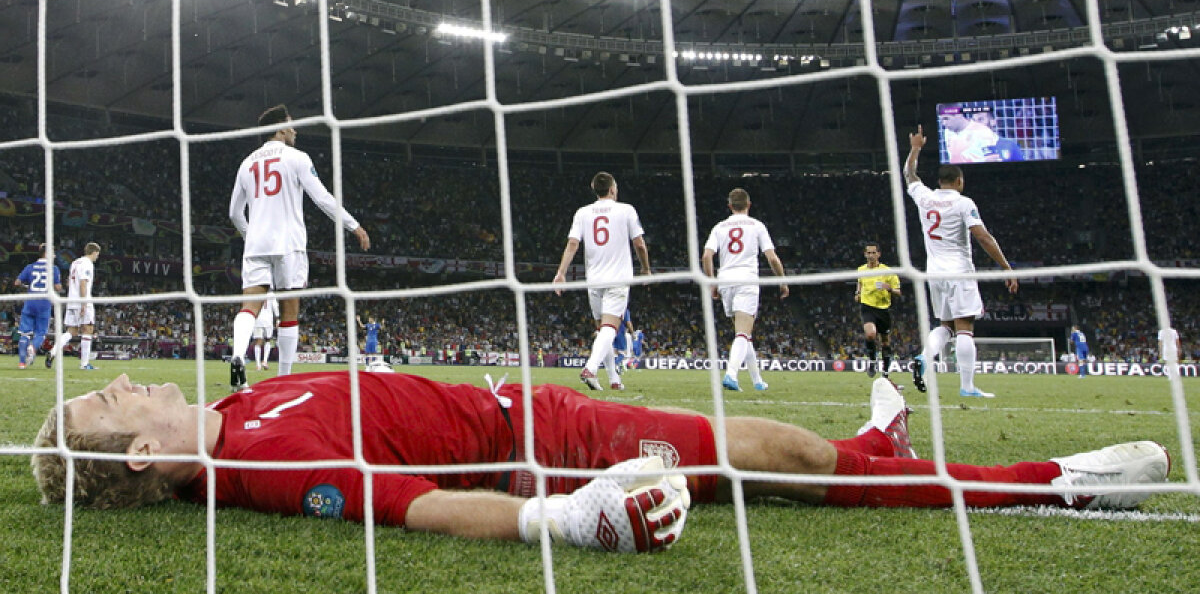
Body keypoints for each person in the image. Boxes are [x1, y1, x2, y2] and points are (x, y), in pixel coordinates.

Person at [33, 373, 1171, 553]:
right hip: (546, 449)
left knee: (797, 454)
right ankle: (1056, 483)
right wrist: (565, 516)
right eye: (111, 400)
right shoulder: (266, 465)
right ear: (142, 453)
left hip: (538, 402)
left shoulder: (238, 406)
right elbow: (415, 508)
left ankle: (883, 446)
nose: (126, 380)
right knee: (785, 452)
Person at [228, 104, 371, 391]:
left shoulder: (246, 163)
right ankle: (283, 379)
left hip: (256, 244)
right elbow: (323, 198)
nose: (295, 130)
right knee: (289, 309)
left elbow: (234, 213)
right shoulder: (297, 158)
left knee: (249, 307)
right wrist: (353, 225)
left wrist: (250, 234)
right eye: (291, 125)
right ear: (280, 129)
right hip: (288, 243)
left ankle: (238, 356)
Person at [904, 126, 1018, 398]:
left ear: (940, 181)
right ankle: (967, 387)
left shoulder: (925, 198)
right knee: (965, 327)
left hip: (934, 273)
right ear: (958, 181)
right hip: (959, 271)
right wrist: (1006, 267)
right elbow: (983, 237)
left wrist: (915, 149)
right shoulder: (964, 203)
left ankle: (924, 357)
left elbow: (909, 175)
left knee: (946, 325)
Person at [553, 172, 650, 391]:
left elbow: (572, 244)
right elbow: (640, 244)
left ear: (594, 189)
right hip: (617, 279)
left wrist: (561, 273)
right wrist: (645, 269)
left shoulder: (582, 212)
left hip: (594, 280)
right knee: (609, 328)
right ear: (613, 189)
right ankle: (590, 368)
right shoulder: (626, 210)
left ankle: (614, 380)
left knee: (603, 330)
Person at [702, 188, 789, 392]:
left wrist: (713, 283)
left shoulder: (720, 227)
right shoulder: (757, 225)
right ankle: (731, 374)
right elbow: (772, 258)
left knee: (744, 334)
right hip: (746, 280)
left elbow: (706, 256)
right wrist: (783, 281)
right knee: (742, 333)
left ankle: (757, 381)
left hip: (725, 281)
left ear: (730, 206)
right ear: (749, 205)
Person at [48, 242, 102, 370]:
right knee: (88, 329)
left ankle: (53, 351)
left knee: (71, 331)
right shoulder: (87, 264)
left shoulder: (75, 262)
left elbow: (69, 282)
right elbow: (83, 283)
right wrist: (84, 303)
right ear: (94, 252)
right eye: (97, 254)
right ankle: (84, 364)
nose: (97, 257)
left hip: (71, 300)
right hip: (82, 300)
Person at [855, 243, 902, 379]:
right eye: (868, 253)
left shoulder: (887, 271)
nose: (871, 255)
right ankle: (872, 360)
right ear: (865, 254)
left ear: (879, 254)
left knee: (885, 342)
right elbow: (860, 282)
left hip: (883, 309)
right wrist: (858, 293)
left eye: (873, 253)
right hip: (867, 307)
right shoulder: (861, 270)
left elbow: (898, 292)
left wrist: (889, 288)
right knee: (870, 334)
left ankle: (885, 371)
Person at [11, 244, 63, 369]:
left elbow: (17, 282)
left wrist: (27, 286)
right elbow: (58, 287)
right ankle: (33, 347)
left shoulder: (30, 267)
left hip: (30, 302)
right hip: (44, 303)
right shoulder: (53, 268)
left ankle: (22, 363)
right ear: (46, 254)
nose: (54, 256)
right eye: (53, 253)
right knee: (41, 333)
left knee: (24, 334)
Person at [251, 292, 279, 370]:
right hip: (268, 321)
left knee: (258, 342)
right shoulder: (271, 294)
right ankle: (265, 361)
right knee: (268, 340)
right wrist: (277, 319)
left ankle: (258, 365)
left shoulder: (256, 292)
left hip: (257, 321)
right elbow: (275, 307)